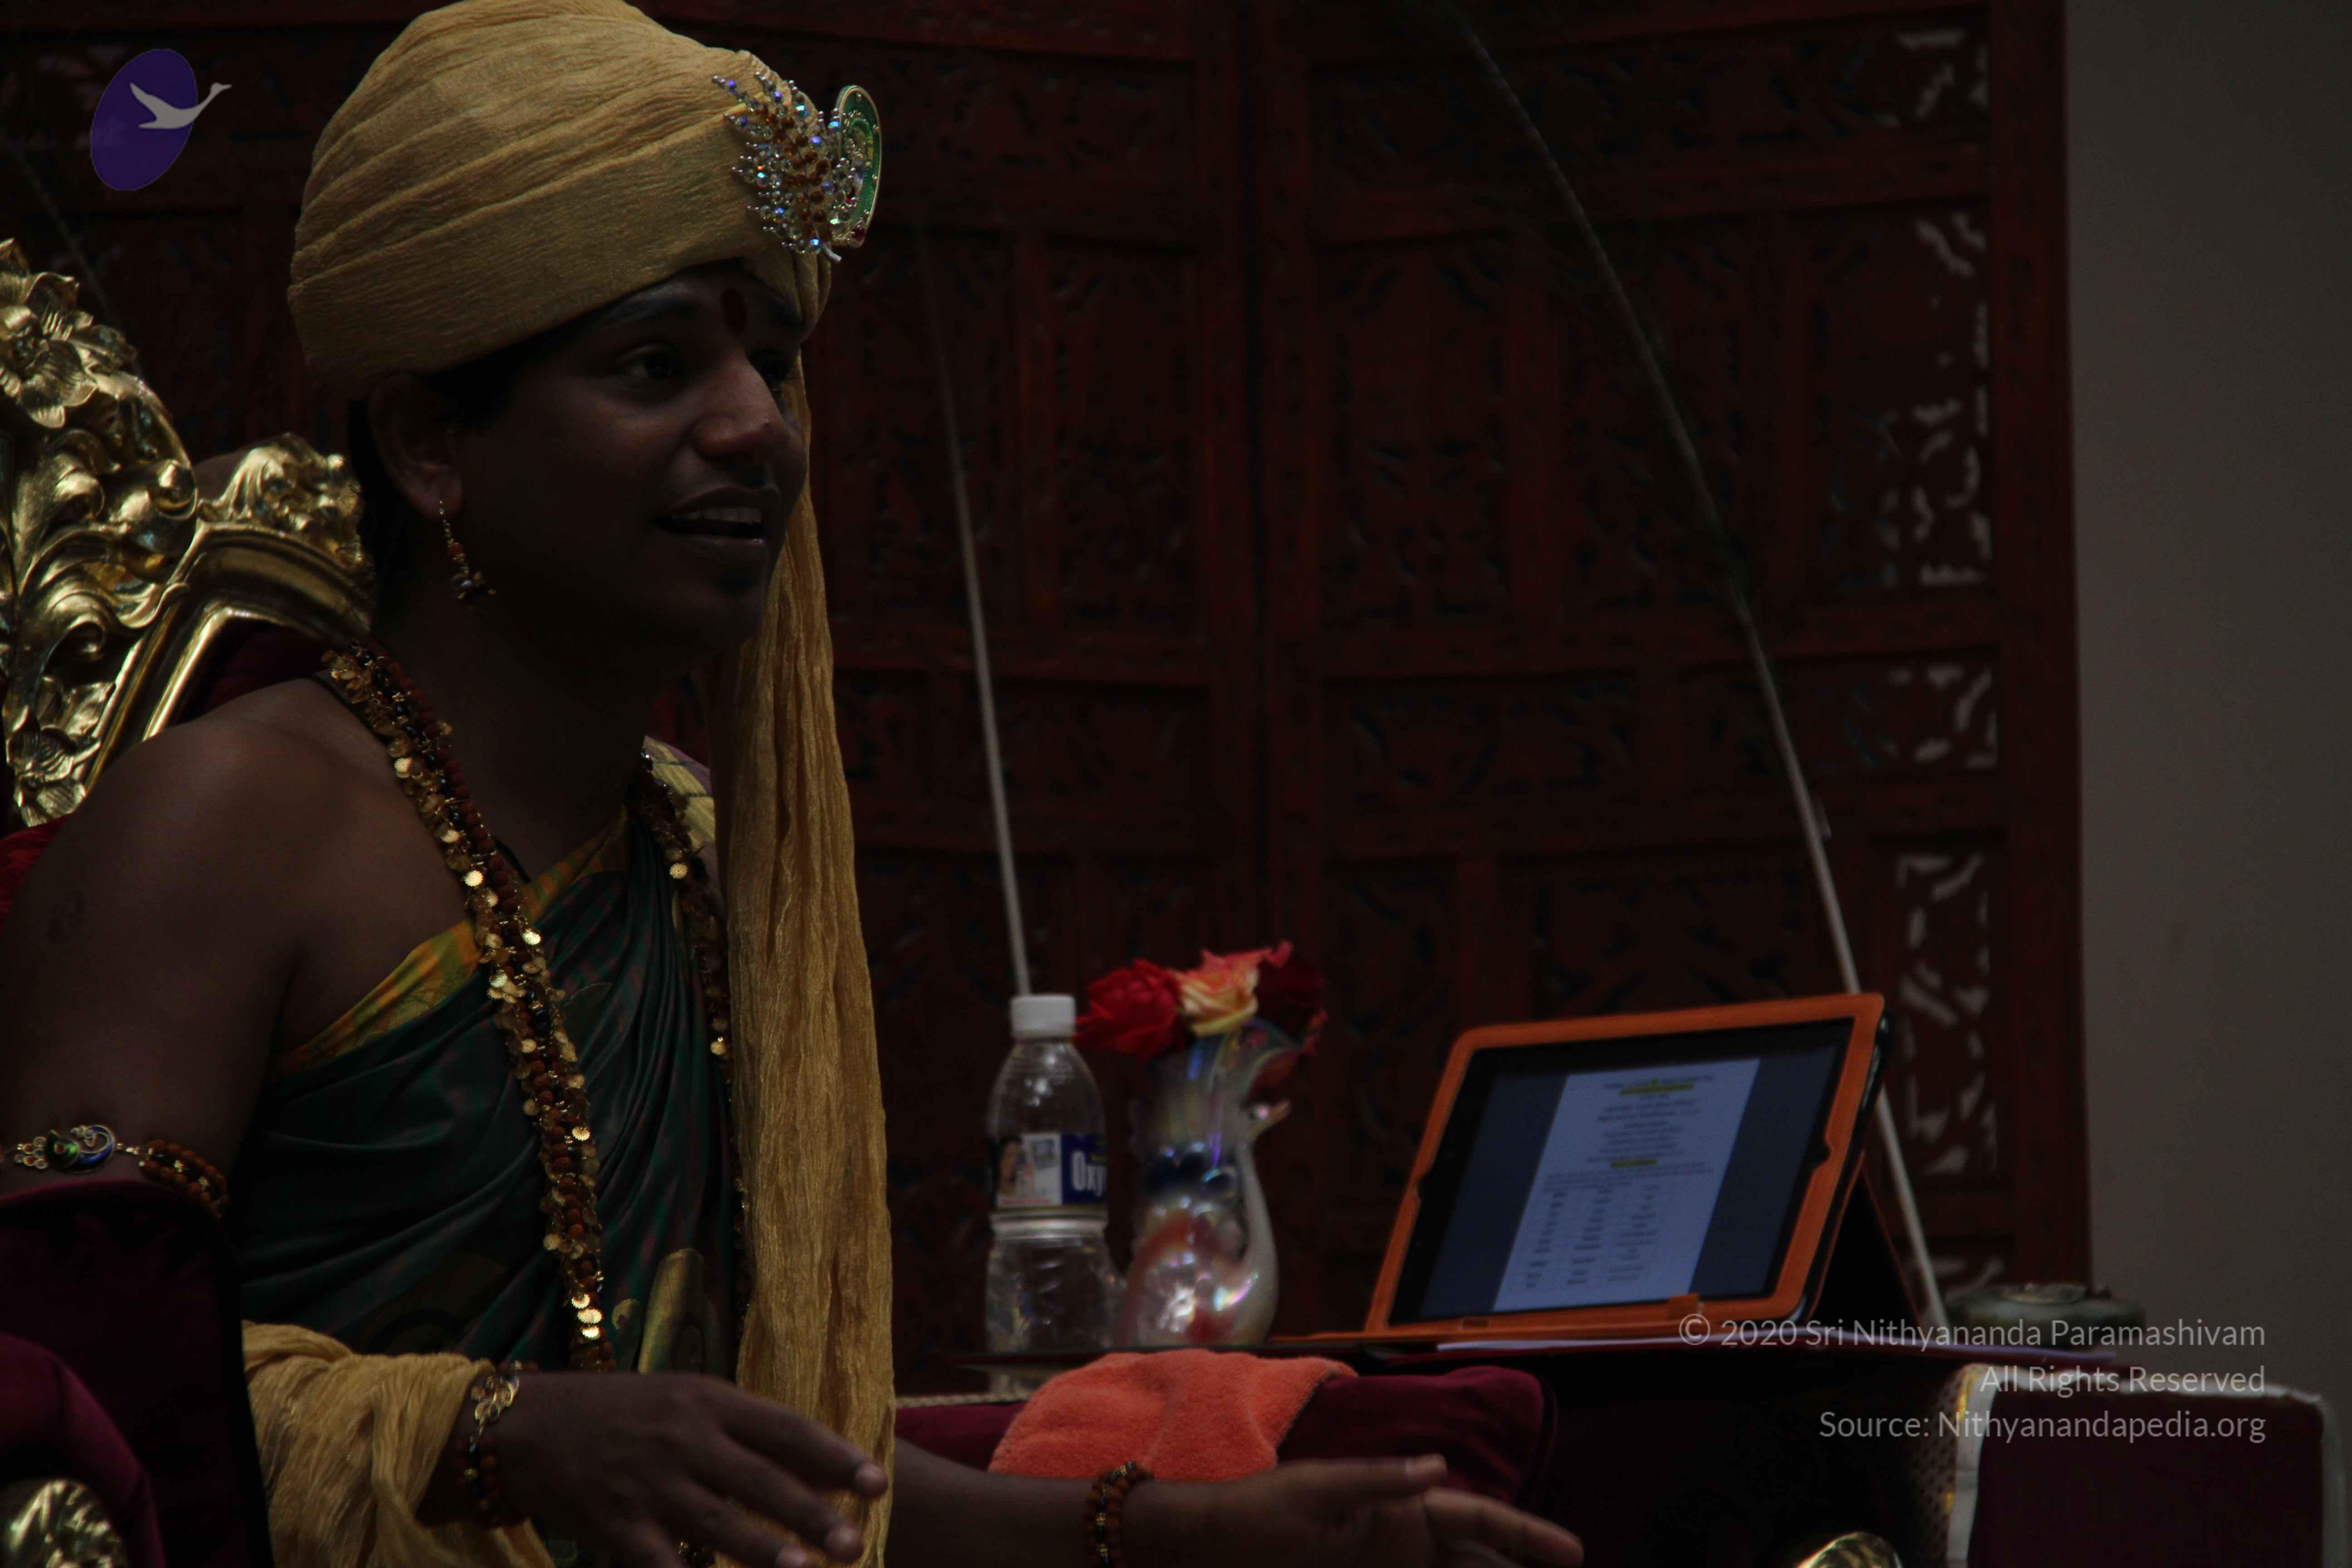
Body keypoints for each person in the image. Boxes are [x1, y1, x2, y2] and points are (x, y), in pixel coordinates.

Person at [0, 4, 1588, 1568]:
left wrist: (1181, 1532)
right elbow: (74, 1392)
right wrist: (503, 1437)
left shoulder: (705, 847)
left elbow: (772, 1476)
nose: (758, 425)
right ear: (431, 444)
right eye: (656, 365)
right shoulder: (225, 827)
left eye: (771, 359)